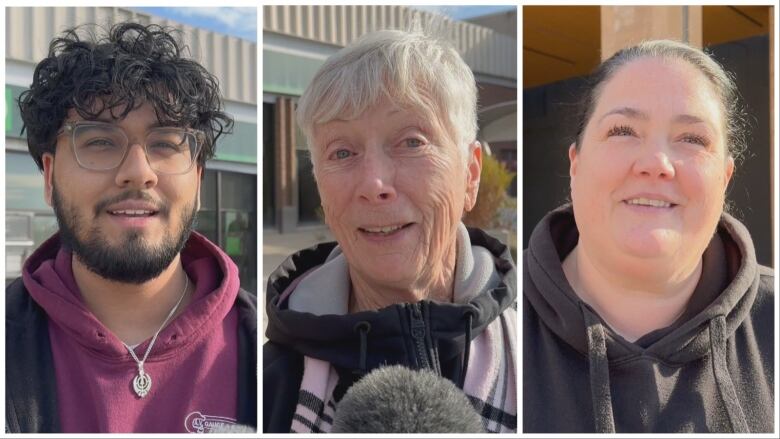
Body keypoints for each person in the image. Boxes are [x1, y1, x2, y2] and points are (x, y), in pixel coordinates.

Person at [5, 22, 257, 433]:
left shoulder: (274, 357)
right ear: (49, 178)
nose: (138, 173)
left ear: (198, 179)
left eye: (166, 142)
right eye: (100, 141)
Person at [263, 29, 517, 433]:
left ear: (470, 175)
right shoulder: (264, 389)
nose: (373, 184)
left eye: (411, 142)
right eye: (342, 152)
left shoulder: (546, 357)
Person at [523, 40, 774, 433]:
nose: (656, 164)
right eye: (623, 130)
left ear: (724, 179)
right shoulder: (492, 329)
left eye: (692, 139)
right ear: (576, 164)